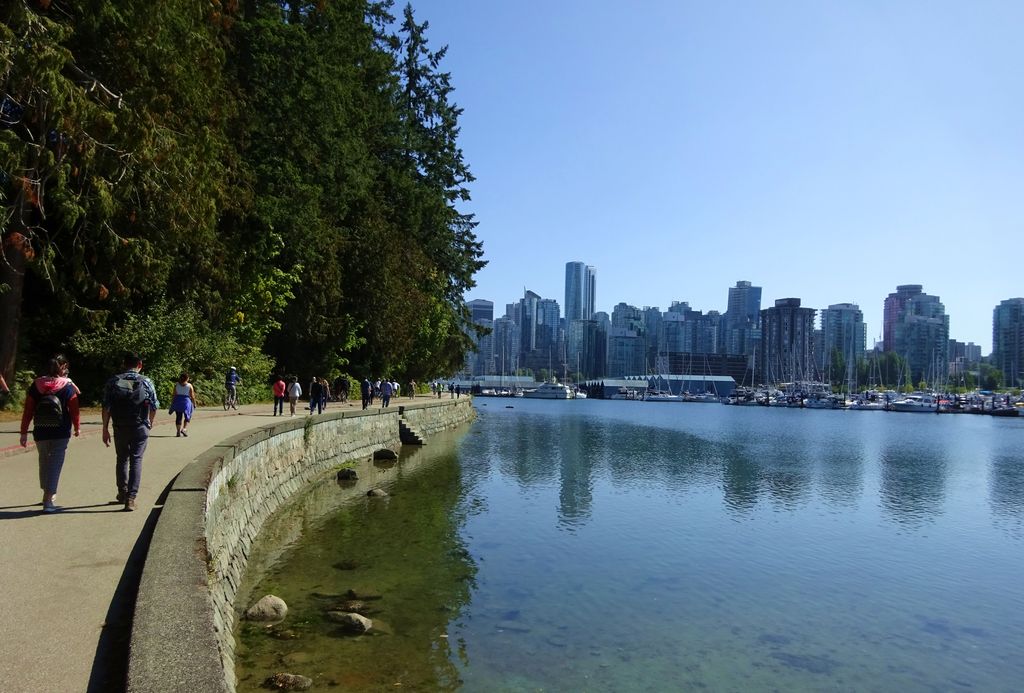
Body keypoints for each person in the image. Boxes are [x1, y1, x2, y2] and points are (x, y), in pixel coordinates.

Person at [19, 355, 81, 513]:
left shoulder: (37, 385)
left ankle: (46, 491)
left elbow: (28, 411)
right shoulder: (67, 386)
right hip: (60, 431)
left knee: (44, 461)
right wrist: (76, 427)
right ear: (63, 367)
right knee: (55, 464)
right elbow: (74, 410)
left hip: (41, 430)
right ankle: (48, 499)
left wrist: (24, 432)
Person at [102, 352, 159, 512]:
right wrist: (149, 423)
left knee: (121, 459)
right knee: (136, 460)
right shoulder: (146, 381)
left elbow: (106, 406)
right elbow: (154, 405)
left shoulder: (113, 381)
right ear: (139, 364)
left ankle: (122, 492)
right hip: (140, 425)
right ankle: (131, 499)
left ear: (123, 364)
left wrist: (105, 428)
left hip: (119, 425)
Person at [168, 372, 196, 437]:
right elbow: (192, 396)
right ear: (187, 378)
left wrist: (172, 403)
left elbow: (174, 395)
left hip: (178, 401)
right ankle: (184, 428)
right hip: (186, 401)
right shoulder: (189, 385)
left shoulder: (176, 385)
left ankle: (178, 431)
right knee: (187, 416)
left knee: (178, 416)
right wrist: (194, 403)